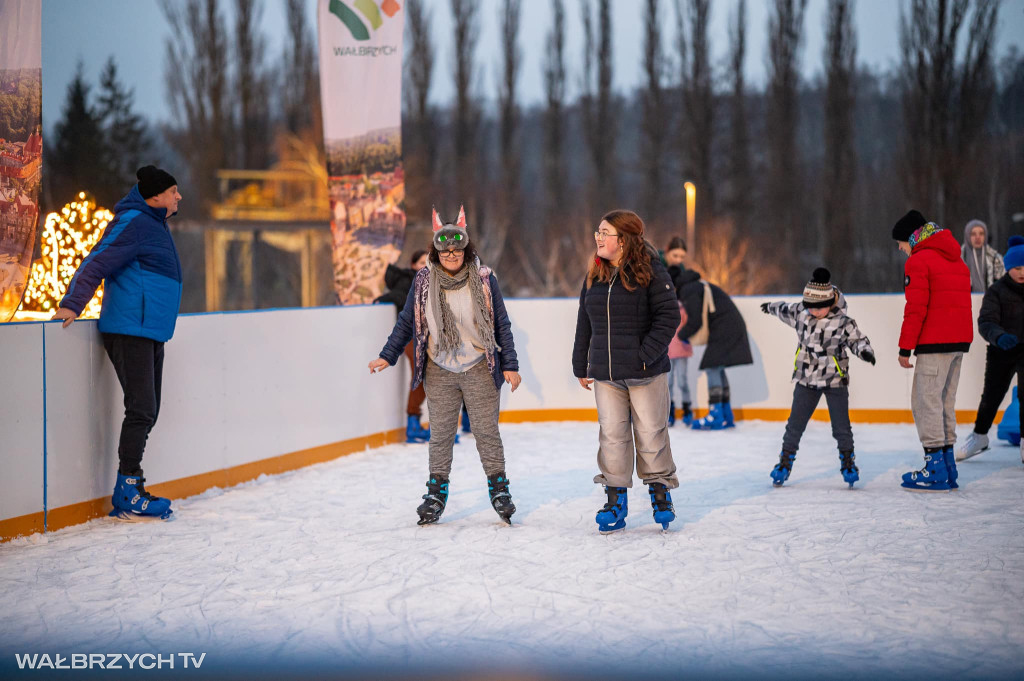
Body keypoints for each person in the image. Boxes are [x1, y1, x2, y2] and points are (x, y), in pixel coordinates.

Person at [368, 206, 521, 525]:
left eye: (457, 249)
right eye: (445, 249)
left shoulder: (484, 278)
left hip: (479, 364)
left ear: (466, 249)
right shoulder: (423, 280)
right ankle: (436, 492)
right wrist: (388, 354)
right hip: (439, 368)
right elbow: (408, 321)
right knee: (440, 434)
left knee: (485, 431)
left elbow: (501, 323)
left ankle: (499, 489)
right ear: (436, 252)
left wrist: (510, 364)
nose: (452, 254)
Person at [52, 166, 183, 521]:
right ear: (156, 196)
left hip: (150, 331)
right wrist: (72, 303)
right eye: (174, 191)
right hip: (130, 330)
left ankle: (132, 484)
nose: (178, 197)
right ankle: (127, 491)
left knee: (148, 411)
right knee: (141, 409)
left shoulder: (154, 224)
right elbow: (97, 260)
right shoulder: (134, 222)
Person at [572, 210, 681, 533]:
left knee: (651, 433)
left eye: (605, 232)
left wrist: (645, 355)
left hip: (645, 372)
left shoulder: (651, 271)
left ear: (624, 240)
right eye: (598, 232)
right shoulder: (595, 273)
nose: (598, 238)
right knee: (612, 437)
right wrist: (581, 363)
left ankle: (660, 494)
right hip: (607, 373)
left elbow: (668, 317)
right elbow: (584, 321)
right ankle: (615, 499)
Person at [760, 268, 876, 487]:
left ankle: (848, 462)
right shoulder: (801, 313)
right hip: (805, 379)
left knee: (841, 426)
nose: (814, 311)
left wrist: (865, 351)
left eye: (820, 307)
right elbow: (785, 308)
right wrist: (770, 307)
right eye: (810, 307)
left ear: (831, 302)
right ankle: (784, 463)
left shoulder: (843, 322)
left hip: (834, 380)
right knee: (795, 425)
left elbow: (857, 340)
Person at [892, 210, 973, 491]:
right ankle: (949, 467)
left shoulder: (919, 260)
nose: (901, 249)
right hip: (958, 343)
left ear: (912, 238)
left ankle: (935, 469)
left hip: (934, 343)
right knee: (944, 403)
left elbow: (915, 308)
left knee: (925, 403)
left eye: (901, 243)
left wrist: (905, 347)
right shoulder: (956, 258)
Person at [957, 235, 1024, 464]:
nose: (1022, 272)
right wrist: (1000, 336)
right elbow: (986, 322)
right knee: (991, 397)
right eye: (1017, 267)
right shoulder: (996, 291)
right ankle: (979, 437)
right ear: (1008, 267)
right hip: (1001, 351)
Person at [670, 263, 753, 430]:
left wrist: (681, 336)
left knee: (712, 365)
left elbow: (695, 320)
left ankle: (716, 414)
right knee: (717, 366)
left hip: (725, 328)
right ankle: (725, 413)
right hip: (729, 326)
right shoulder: (697, 285)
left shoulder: (688, 290)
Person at [375, 250, 430, 443]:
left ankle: (428, 423)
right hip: (411, 337)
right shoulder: (410, 280)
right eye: (421, 261)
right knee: (421, 373)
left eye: (428, 261)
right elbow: (399, 295)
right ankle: (413, 423)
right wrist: (382, 300)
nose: (425, 264)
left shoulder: (434, 280)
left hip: (427, 337)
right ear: (413, 265)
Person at [663, 237, 694, 426]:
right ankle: (670, 410)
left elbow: (690, 321)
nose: (678, 260)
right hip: (667, 347)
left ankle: (686, 408)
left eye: (682, 256)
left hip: (680, 347)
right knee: (669, 381)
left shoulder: (684, 305)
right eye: (675, 255)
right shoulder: (656, 264)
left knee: (681, 380)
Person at [961, 219, 1005, 293]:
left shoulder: (995, 259)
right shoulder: (959, 259)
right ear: (967, 236)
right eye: (973, 234)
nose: (977, 237)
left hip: (991, 302)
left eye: (981, 234)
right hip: (964, 301)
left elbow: (1003, 284)